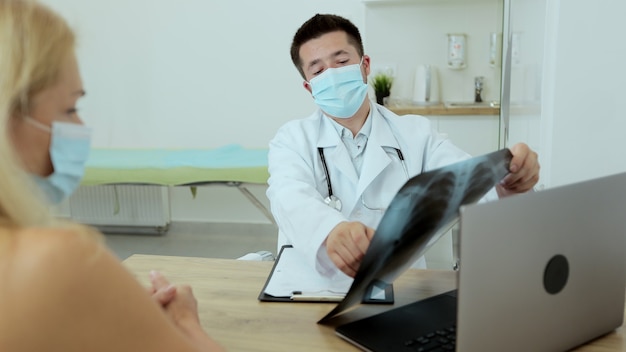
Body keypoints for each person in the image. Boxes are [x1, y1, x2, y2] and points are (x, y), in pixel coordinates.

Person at [0, 1, 223, 350]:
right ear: (7, 116)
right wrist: (184, 323)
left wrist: (114, 314)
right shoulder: (57, 261)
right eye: (71, 108)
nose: (82, 126)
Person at [266, 13, 540, 279]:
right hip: (309, 287)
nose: (332, 75)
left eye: (341, 61)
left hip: (399, 284)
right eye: (319, 70)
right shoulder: (291, 140)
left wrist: (508, 181)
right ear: (309, 87)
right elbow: (289, 195)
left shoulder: (415, 134)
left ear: (365, 65)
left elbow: (465, 181)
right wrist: (331, 231)